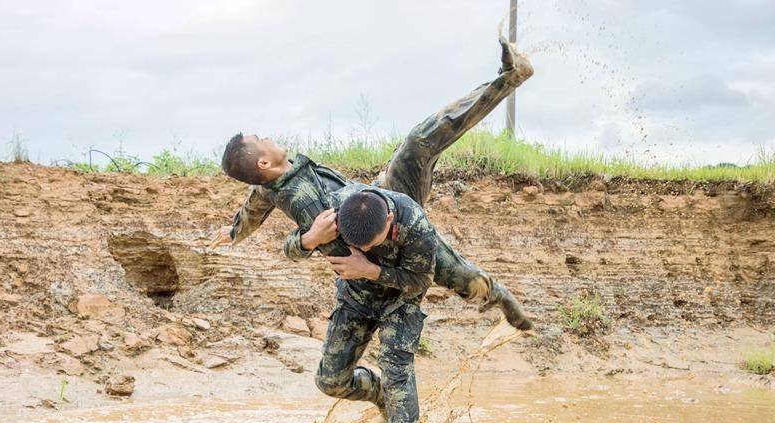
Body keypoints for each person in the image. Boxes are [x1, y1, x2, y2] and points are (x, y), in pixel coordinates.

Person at [210, 37, 535, 331]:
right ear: (263, 163)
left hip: (383, 191)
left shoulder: (270, 180)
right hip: (384, 226)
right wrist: (314, 242)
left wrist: (235, 231)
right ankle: (502, 300)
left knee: (419, 141)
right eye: (259, 139)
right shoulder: (301, 200)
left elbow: (255, 203)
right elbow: (330, 243)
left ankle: (511, 76)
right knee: (457, 274)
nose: (266, 136)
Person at [290, 186, 437, 423]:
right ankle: (381, 394)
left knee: (396, 371)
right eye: (356, 244)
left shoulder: (415, 224)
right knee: (330, 381)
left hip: (400, 301)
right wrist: (310, 238)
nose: (363, 248)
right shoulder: (333, 209)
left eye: (370, 244)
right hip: (355, 298)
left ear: (389, 220)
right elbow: (290, 249)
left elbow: (421, 281)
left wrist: (370, 269)